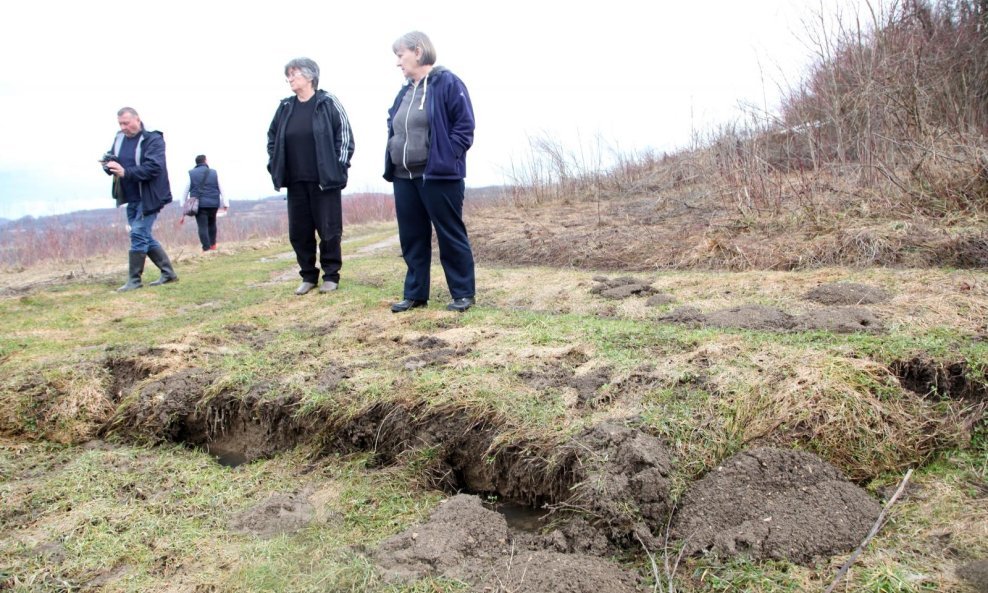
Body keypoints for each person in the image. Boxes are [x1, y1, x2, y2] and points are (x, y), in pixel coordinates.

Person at [385, 31, 477, 313]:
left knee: (449, 233)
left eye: (401, 55)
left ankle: (463, 293)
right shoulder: (405, 91)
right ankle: (415, 294)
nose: (398, 62)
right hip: (404, 176)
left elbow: (464, 126)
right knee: (412, 237)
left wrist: (447, 158)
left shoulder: (447, 82)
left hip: (438, 176)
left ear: (418, 51)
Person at [267, 57, 354, 296]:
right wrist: (274, 163)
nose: (290, 79)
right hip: (295, 180)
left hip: (324, 180)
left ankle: (331, 275)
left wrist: (339, 167)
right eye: (289, 75)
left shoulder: (327, 103)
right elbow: (272, 138)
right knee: (299, 232)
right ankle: (308, 275)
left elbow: (344, 136)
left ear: (310, 76)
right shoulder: (285, 107)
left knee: (328, 230)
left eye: (294, 74)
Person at [101, 107, 178, 292]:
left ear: (137, 119)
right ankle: (168, 274)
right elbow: (114, 158)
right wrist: (108, 165)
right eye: (120, 123)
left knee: (137, 233)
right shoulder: (119, 138)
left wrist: (126, 172)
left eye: (126, 123)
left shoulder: (153, 138)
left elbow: (154, 167)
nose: (123, 127)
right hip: (131, 195)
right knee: (143, 235)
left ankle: (134, 280)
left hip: (150, 195)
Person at [182, 155, 229, 251]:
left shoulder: (192, 174)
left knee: (202, 226)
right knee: (212, 224)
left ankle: (206, 248)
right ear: (205, 161)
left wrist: (184, 205)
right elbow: (222, 188)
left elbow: (185, 190)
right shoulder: (214, 173)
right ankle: (213, 245)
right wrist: (225, 203)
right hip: (213, 204)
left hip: (199, 205)